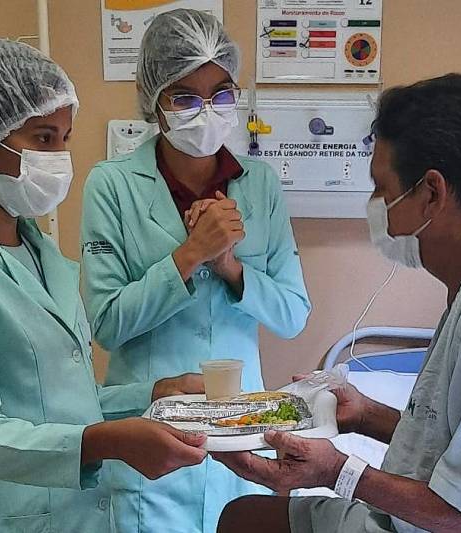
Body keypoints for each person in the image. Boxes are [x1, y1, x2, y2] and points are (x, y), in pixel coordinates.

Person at [213, 74, 461, 532]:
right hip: (431, 517)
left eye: (383, 190)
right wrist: (366, 415)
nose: (378, 207)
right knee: (243, 517)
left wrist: (337, 472)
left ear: (431, 193)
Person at [0, 39, 209, 533]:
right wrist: (108, 442)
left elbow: (62, 404)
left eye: (64, 139)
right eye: (43, 138)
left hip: (78, 518)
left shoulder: (42, 255)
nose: (59, 157)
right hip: (0, 519)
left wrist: (157, 393)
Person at [80, 8, 312, 533]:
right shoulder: (111, 185)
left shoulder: (259, 184)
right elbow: (108, 324)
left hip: (241, 438)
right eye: (185, 97)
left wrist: (230, 267)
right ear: (153, 101)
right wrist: (188, 256)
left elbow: (293, 314)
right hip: (151, 439)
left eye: (221, 94)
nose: (206, 111)